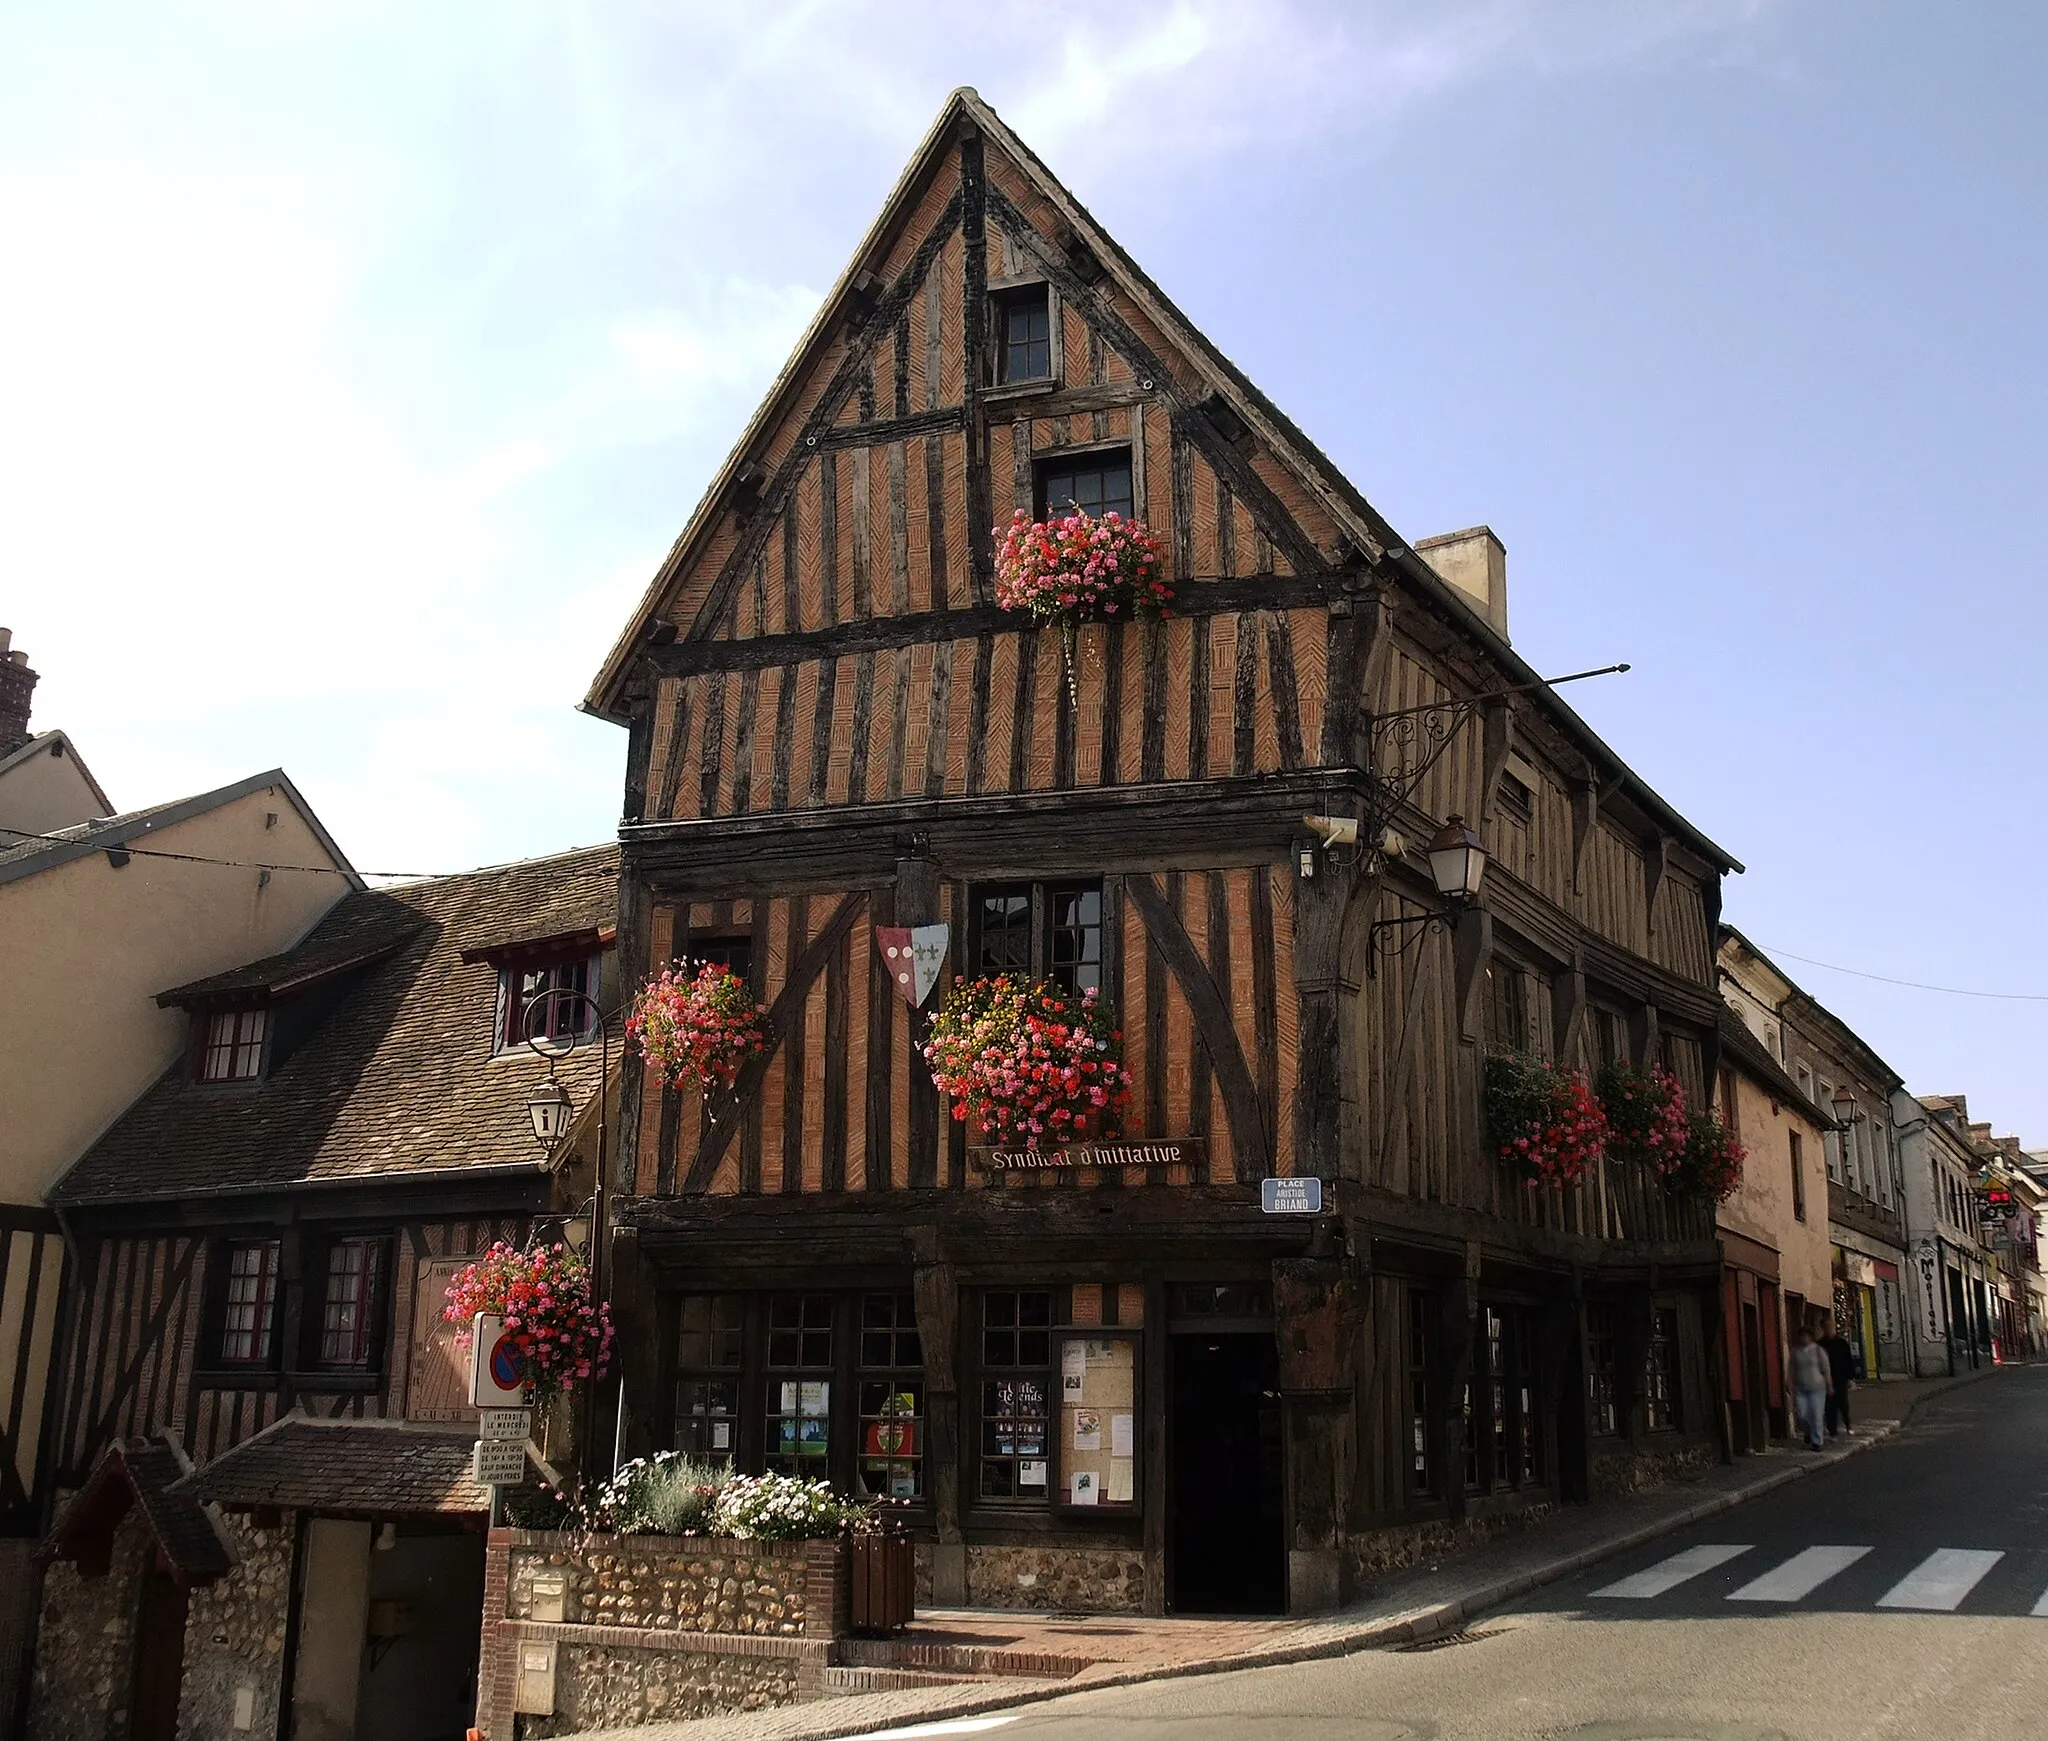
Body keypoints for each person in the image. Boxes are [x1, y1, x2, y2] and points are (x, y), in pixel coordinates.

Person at [1789, 1326, 1831, 1450]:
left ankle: (1817, 1442)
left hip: (1817, 1387)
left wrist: (1829, 1384)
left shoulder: (1818, 1351)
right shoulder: (1796, 1351)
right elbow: (1792, 1368)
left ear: (1811, 1337)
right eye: (1802, 1336)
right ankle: (1808, 1431)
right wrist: (1789, 1381)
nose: (1804, 1338)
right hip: (1801, 1387)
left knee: (1817, 1414)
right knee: (1802, 1414)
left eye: (1806, 1336)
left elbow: (1826, 1368)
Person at [1818, 1316, 1856, 1436]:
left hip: (1841, 1377)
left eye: (1831, 1327)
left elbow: (1848, 1360)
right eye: (1827, 1328)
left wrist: (1850, 1378)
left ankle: (1848, 1424)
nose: (1829, 1330)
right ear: (1823, 1329)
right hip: (1826, 1379)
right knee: (1829, 1405)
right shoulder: (1820, 1344)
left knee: (1843, 1403)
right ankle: (1832, 1430)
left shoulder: (1841, 1343)